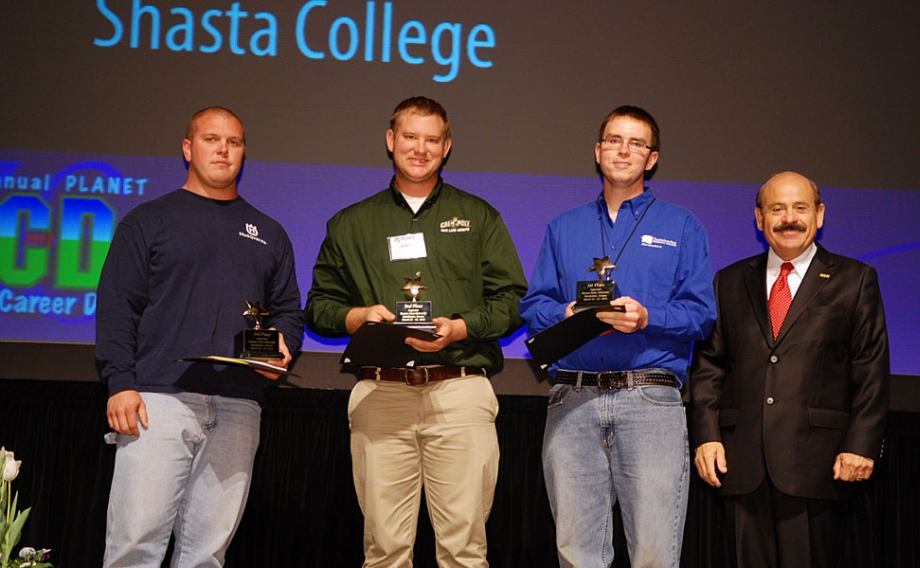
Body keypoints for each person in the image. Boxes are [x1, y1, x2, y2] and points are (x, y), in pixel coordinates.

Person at [304, 96, 528, 568]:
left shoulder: (479, 216)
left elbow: (512, 301)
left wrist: (461, 328)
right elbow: (318, 307)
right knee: (384, 551)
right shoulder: (351, 223)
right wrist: (359, 316)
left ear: (447, 147)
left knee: (465, 551)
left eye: (431, 139)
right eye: (410, 136)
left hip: (459, 393)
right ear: (391, 141)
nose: (420, 148)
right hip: (381, 395)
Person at [95, 106, 304, 567]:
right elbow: (116, 307)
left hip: (239, 406)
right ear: (189, 149)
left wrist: (283, 345)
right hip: (157, 399)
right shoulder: (148, 221)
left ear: (244, 152)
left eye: (234, 142)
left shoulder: (269, 233)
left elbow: (288, 309)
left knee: (207, 553)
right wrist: (120, 382)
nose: (223, 150)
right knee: (136, 544)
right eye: (212, 139)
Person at [519, 105, 717, 568]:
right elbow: (533, 306)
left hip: (649, 400)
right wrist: (565, 312)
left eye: (636, 143)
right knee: (577, 554)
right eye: (613, 140)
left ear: (652, 159)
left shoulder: (682, 226)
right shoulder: (563, 227)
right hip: (571, 397)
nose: (623, 150)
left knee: (653, 553)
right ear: (597, 151)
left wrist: (649, 316)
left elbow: (701, 316)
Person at [689, 171, 890, 567]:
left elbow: (870, 369)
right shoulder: (728, 281)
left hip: (819, 465)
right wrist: (707, 436)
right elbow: (709, 365)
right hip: (741, 464)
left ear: (820, 215)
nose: (789, 218)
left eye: (800, 208)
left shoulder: (855, 279)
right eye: (777, 209)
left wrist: (861, 445)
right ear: (759, 218)